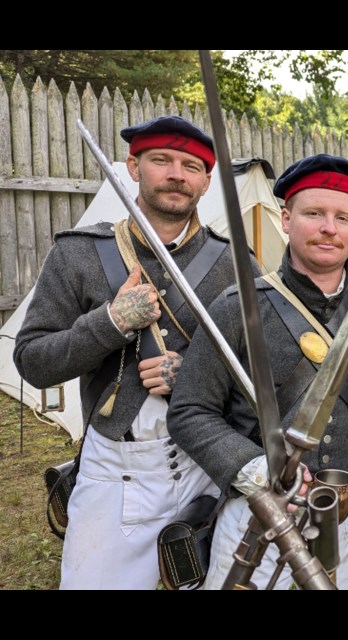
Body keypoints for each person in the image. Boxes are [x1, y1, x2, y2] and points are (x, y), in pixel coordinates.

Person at [14, 115, 248, 589]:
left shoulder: (233, 263)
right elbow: (33, 361)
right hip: (116, 472)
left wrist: (197, 376)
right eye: (161, 160)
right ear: (133, 166)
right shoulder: (79, 253)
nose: (177, 174)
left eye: (192, 165)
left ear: (205, 181)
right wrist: (111, 323)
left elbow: (262, 371)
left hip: (206, 464)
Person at [167, 154, 348, 590]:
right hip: (259, 515)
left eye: (343, 217)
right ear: (286, 219)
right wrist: (252, 470)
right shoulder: (237, 306)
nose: (330, 228)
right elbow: (190, 411)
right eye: (314, 214)